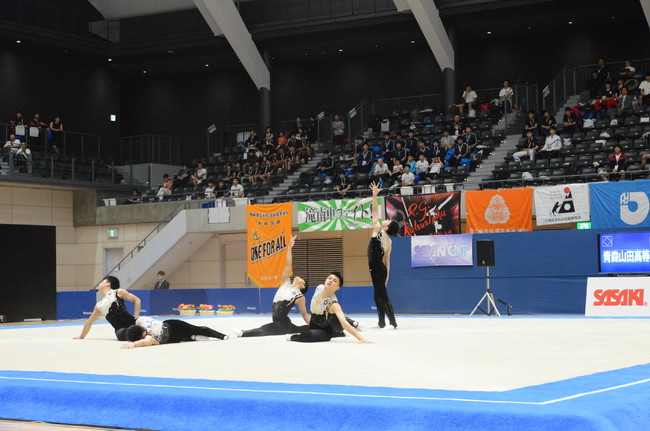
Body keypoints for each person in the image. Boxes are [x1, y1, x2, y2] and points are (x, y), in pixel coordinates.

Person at [232, 236, 310, 338]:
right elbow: (288, 265)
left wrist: (311, 323)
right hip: (282, 323)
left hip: (282, 324)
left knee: (265, 329)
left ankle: (243, 333)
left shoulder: (300, 296)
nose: (299, 276)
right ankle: (319, 328)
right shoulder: (285, 283)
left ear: (302, 285)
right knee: (299, 329)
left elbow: (304, 314)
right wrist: (289, 247)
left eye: (301, 279)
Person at [287, 272, 369, 343]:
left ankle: (352, 323)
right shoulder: (319, 288)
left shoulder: (334, 304)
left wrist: (361, 338)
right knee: (304, 328)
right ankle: (340, 333)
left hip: (325, 331)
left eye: (334, 281)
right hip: (314, 323)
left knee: (310, 334)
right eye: (329, 278)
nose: (330, 280)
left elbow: (344, 323)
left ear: (338, 287)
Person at [368, 182, 399, 329]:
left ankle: (392, 322)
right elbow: (388, 261)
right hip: (379, 269)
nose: (385, 219)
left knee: (382, 296)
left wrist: (374, 195)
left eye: (388, 220)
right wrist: (387, 276)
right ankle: (381, 322)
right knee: (377, 295)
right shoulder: (390, 241)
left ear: (386, 227)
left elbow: (374, 212)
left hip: (377, 268)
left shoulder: (378, 230)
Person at [74, 276, 141, 341]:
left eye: (102, 282)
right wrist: (81, 336)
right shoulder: (99, 305)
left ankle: (141, 332)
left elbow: (137, 300)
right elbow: (89, 322)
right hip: (121, 331)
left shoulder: (117, 292)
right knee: (121, 334)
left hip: (133, 323)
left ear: (107, 284)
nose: (99, 283)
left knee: (142, 324)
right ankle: (141, 334)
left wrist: (136, 317)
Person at [123, 316, 228, 348]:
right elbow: (135, 319)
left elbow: (144, 342)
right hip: (171, 326)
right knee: (191, 333)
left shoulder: (150, 337)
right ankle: (192, 337)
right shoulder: (141, 320)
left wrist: (133, 344)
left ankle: (221, 336)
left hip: (174, 329)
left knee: (197, 329)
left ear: (142, 335)